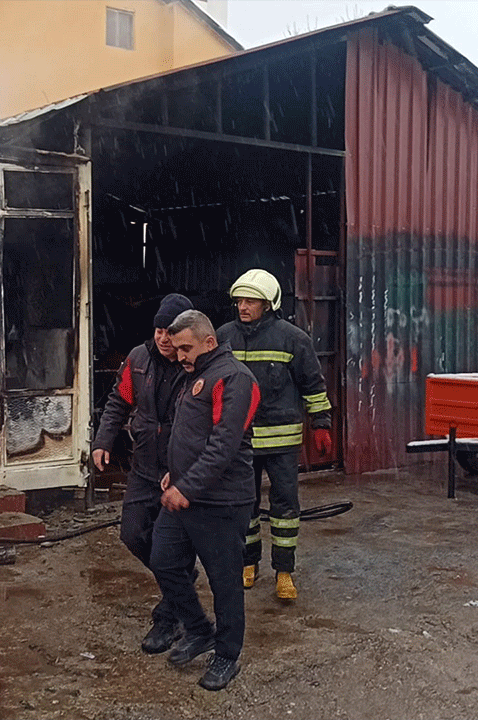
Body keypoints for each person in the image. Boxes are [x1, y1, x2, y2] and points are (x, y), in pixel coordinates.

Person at [151, 309, 259, 691]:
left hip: (221, 501)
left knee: (225, 582)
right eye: (177, 348)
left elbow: (223, 445)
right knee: (162, 560)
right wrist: (173, 474)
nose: (179, 355)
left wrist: (186, 487)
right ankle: (198, 629)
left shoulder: (234, 379)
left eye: (186, 347)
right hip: (184, 494)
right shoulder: (194, 375)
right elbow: (189, 435)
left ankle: (227, 655)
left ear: (209, 342)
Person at [216, 268, 332, 602]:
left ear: (269, 303)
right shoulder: (224, 336)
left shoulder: (293, 338)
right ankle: (247, 564)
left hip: (281, 441)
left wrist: (321, 424)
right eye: (240, 300)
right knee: (243, 506)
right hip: (240, 441)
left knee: (284, 508)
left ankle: (284, 572)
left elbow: (313, 385)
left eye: (251, 300)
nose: (243, 306)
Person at [91, 293, 194, 654]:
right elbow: (118, 402)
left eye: (171, 331)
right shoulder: (137, 359)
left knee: (171, 548)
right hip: (144, 468)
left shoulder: (194, 363)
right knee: (133, 535)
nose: (164, 339)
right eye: (159, 330)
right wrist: (102, 441)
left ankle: (170, 616)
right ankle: (180, 585)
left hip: (180, 473)